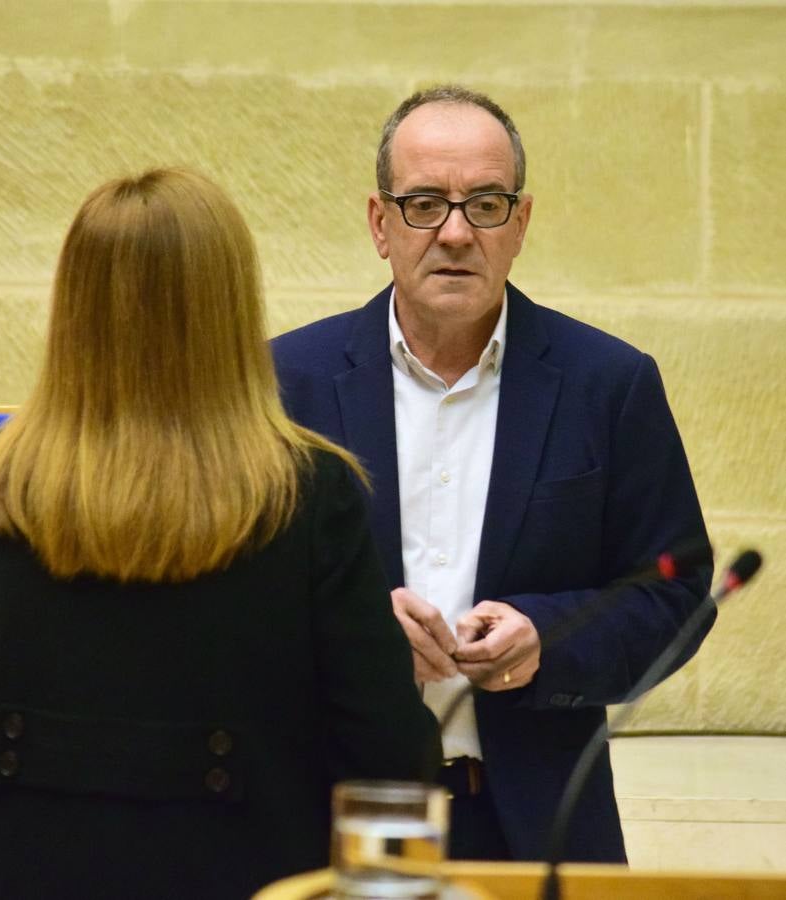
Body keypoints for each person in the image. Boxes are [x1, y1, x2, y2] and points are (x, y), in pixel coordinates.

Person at [0, 168, 441, 899]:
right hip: (246, 877)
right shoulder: (309, 493)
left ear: (74, 305)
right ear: (231, 307)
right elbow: (390, 760)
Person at [272, 85, 714, 863]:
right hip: (330, 819)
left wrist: (550, 637)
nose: (452, 232)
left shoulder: (606, 384)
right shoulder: (285, 383)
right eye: (421, 204)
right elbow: (230, 600)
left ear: (520, 222)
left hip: (533, 828)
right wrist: (354, 637)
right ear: (380, 224)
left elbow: (674, 593)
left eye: (484, 204)